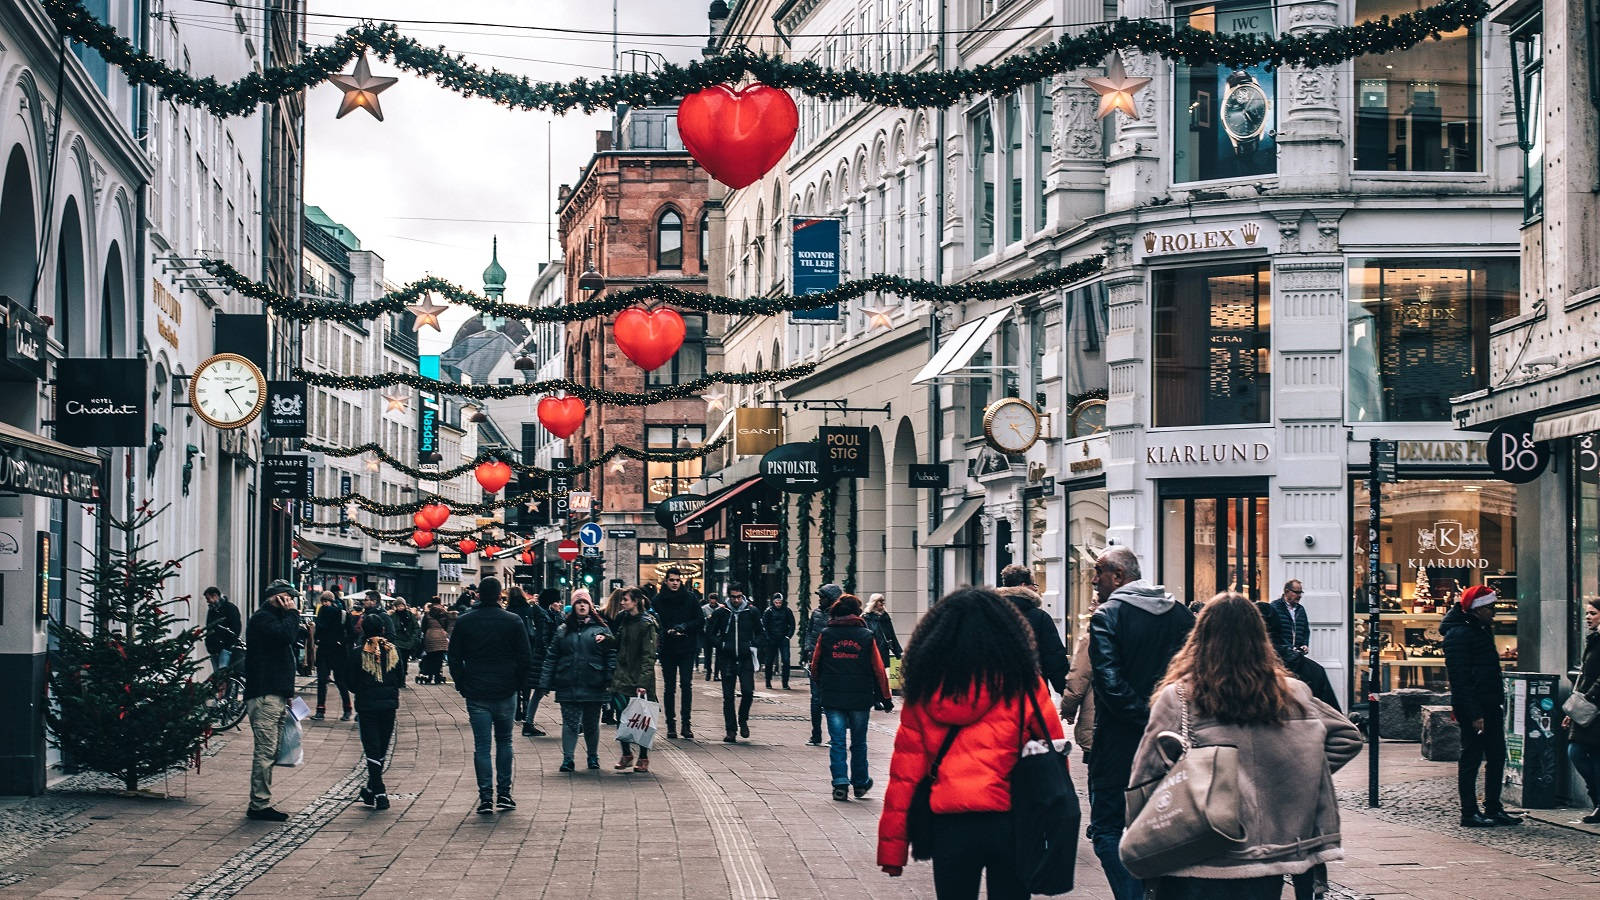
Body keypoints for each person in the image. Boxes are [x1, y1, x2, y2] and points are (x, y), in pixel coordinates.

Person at [1128, 593, 1362, 900]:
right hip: (1268, 858)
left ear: (1200, 637)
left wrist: (1139, 835)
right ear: (1260, 638)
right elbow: (1347, 736)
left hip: (1200, 849)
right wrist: (1293, 771)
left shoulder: (1181, 696)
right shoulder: (1291, 693)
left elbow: (1146, 774)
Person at [877, 587, 1064, 897]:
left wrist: (893, 850)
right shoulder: (1025, 683)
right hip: (1013, 820)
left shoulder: (926, 690)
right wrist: (1051, 821)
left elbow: (905, 775)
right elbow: (1054, 756)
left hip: (951, 827)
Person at [1087, 546, 1196, 900]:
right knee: (1165, 824)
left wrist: (1146, 717)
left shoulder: (1108, 615)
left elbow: (1109, 684)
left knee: (1107, 828)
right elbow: (1194, 675)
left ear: (1118, 577)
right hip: (1171, 743)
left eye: (1098, 572)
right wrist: (1167, 718)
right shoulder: (1179, 614)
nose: (1093, 580)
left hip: (1120, 745)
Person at [447, 577, 534, 815]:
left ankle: (486, 797)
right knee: (505, 742)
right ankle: (504, 794)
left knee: (482, 746)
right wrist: (518, 684)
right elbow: (526, 656)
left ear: (477, 596)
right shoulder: (513, 621)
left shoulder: (465, 622)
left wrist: (461, 682)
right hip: (506, 689)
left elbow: (453, 656)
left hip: (476, 689)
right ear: (499, 596)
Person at [1442, 585, 1522, 828]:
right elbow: (1461, 679)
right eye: (1490, 608)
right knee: (1471, 758)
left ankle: (1493, 807)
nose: (1494, 612)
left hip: (1490, 704)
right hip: (1474, 708)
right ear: (1477, 609)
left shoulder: (1480, 629)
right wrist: (1474, 713)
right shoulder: (1459, 634)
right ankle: (1469, 812)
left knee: (1497, 756)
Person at [810, 593, 893, 801]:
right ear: (856, 612)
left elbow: (815, 666)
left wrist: (822, 687)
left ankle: (840, 783)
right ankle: (860, 783)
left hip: (833, 696)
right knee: (858, 742)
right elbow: (878, 668)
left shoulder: (827, 634)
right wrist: (886, 697)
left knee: (837, 741)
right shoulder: (865, 635)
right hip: (860, 696)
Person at [243, 579, 302, 822]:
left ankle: (260, 801)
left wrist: (287, 692)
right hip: (265, 695)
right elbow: (286, 636)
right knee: (266, 751)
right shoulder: (263, 619)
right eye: (289, 598)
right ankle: (258, 804)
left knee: (272, 750)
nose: (292, 602)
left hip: (275, 693)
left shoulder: (273, 619)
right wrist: (292, 614)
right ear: (278, 598)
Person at [541, 594, 616, 772]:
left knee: (591, 724)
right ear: (573, 606)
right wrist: (545, 682)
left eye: (585, 603)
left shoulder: (601, 629)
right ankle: (568, 759)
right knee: (570, 724)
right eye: (578, 603)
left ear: (591, 606)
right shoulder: (563, 630)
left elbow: (611, 655)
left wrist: (609, 677)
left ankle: (592, 756)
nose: (582, 606)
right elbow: (552, 657)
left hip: (594, 682)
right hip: (568, 682)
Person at [349, 612, 403, 811]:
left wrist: (363, 689)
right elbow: (400, 677)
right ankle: (375, 790)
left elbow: (350, 682)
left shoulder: (357, 653)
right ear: (382, 630)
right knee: (381, 748)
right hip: (388, 706)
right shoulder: (393, 651)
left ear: (363, 630)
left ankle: (377, 791)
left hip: (367, 705)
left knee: (372, 747)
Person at [998, 564, 1070, 694]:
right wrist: (1066, 693)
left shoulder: (988, 614)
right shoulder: (1040, 618)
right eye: (1034, 585)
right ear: (1023, 585)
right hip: (1032, 695)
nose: (1036, 590)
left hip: (995, 693)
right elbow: (1054, 658)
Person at [1271, 581, 1341, 710]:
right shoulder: (1275, 608)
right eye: (1296, 592)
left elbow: (1305, 630)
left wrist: (1304, 644)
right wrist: (1288, 648)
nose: (1299, 595)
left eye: (1300, 592)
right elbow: (1276, 633)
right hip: (1284, 655)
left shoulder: (1300, 609)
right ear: (1287, 592)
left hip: (1295, 654)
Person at [610, 588, 659, 773]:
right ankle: (626, 754)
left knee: (642, 719)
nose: (622, 602)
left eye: (625, 599)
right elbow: (618, 642)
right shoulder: (624, 619)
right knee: (621, 716)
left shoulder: (647, 624)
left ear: (636, 601)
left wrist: (643, 683)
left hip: (639, 678)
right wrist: (606, 639)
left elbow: (649, 656)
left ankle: (643, 757)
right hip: (622, 677)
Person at [652, 568, 703, 740]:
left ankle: (686, 724)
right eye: (672, 580)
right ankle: (671, 725)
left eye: (677, 580)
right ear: (665, 581)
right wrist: (667, 631)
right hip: (668, 649)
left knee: (686, 685)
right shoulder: (658, 600)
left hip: (687, 647)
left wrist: (684, 627)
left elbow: (699, 620)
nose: (675, 583)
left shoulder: (690, 598)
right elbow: (654, 622)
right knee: (669, 687)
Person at [711, 584, 765, 743]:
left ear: (743, 596)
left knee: (748, 692)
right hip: (726, 658)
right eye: (733, 597)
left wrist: (753, 645)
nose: (736, 600)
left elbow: (761, 633)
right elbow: (710, 633)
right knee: (728, 696)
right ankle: (731, 729)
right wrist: (721, 645)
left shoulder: (751, 612)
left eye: (739, 596)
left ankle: (743, 719)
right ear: (729, 596)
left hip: (745, 657)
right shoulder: (721, 612)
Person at [1564, 597, 1600, 823]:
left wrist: (1590, 697)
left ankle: (1598, 804)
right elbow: (1583, 676)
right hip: (1586, 707)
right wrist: (1573, 710)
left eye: (1593, 613)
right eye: (1587, 613)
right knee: (1576, 752)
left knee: (1591, 754)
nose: (1588, 617)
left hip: (1595, 705)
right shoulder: (1593, 639)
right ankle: (1597, 801)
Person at [805, 583, 843, 745]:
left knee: (831, 701)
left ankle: (833, 736)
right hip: (816, 662)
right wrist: (808, 650)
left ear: (831, 599)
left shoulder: (839, 617)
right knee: (815, 700)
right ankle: (816, 735)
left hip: (833, 664)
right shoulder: (816, 613)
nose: (820, 600)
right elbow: (809, 633)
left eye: (822, 597)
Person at [523, 588, 564, 736]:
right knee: (555, 689)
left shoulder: (545, 612)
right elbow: (547, 636)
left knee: (540, 691)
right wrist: (551, 656)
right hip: (545, 659)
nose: (559, 603)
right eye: (557, 600)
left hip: (544, 658)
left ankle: (528, 723)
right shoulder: (542, 614)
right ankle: (528, 723)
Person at [1058, 608, 1096, 767]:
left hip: (1097, 722)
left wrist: (1068, 709)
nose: (1090, 608)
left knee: (1099, 779)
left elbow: (1077, 679)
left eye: (1096, 601)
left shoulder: (1090, 639)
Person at [312, 591, 352, 720]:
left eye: (327, 601)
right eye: (323, 601)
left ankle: (347, 709)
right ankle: (321, 709)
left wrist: (342, 641)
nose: (325, 604)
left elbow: (351, 633)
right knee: (322, 681)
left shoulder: (342, 614)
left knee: (340, 681)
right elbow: (318, 630)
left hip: (337, 651)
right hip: (326, 650)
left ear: (332, 601)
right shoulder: (323, 613)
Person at [506, 586, 540, 723]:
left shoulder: (508, 611)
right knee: (526, 680)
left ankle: (516, 710)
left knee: (514, 681)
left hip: (511, 651)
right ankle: (526, 705)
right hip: (527, 649)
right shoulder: (529, 609)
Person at [761, 592, 797, 689]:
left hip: (783, 639)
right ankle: (768, 681)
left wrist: (788, 636)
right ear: (773, 602)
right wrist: (768, 637)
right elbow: (764, 626)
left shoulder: (787, 611)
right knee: (769, 661)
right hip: (771, 639)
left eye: (779, 602)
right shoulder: (768, 611)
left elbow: (792, 624)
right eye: (776, 602)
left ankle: (785, 683)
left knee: (786, 660)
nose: (778, 604)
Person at [203, 587, 242, 672]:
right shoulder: (211, 610)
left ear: (215, 596)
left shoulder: (230, 608)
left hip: (225, 649)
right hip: (214, 649)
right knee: (218, 676)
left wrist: (228, 645)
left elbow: (236, 628)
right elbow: (209, 627)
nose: (207, 601)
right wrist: (208, 644)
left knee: (223, 675)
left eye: (208, 598)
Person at [419, 601, 454, 684]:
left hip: (430, 637)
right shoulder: (443, 615)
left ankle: (430, 676)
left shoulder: (427, 615)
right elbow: (447, 625)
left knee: (430, 657)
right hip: (441, 637)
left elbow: (423, 628)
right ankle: (438, 677)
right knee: (439, 658)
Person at [388, 598, 420, 687]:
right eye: (398, 606)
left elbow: (416, 628)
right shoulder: (393, 617)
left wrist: (412, 639)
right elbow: (391, 629)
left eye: (401, 605)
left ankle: (402, 681)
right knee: (397, 662)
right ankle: (398, 680)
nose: (400, 607)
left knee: (404, 662)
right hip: (397, 643)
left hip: (408, 642)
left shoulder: (410, 616)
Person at [863, 593, 903, 663]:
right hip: (870, 651)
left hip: (883, 651)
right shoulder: (866, 617)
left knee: (884, 671)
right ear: (874, 603)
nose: (883, 603)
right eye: (880, 601)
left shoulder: (885, 617)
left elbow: (892, 635)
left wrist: (898, 653)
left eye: (883, 601)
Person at [701, 592, 724, 679]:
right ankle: (708, 672)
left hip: (718, 633)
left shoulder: (721, 608)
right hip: (708, 632)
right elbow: (701, 619)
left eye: (714, 600)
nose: (712, 602)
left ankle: (716, 674)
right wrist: (707, 618)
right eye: (711, 600)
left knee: (719, 655)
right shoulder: (704, 608)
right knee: (708, 655)